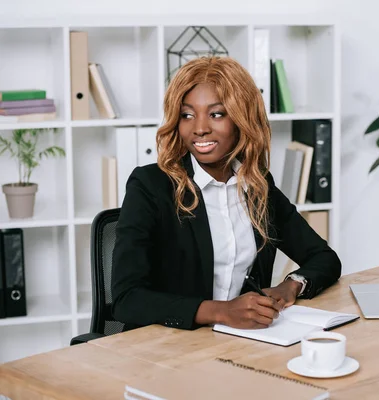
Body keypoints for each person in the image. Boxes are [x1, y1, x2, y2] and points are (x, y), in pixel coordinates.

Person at [111, 56, 341, 332]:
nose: (199, 128)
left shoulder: (257, 186)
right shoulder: (150, 185)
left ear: (242, 118)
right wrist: (222, 312)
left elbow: (323, 257)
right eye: (187, 115)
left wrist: (290, 285)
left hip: (240, 341)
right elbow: (127, 299)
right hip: (169, 344)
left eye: (216, 114)